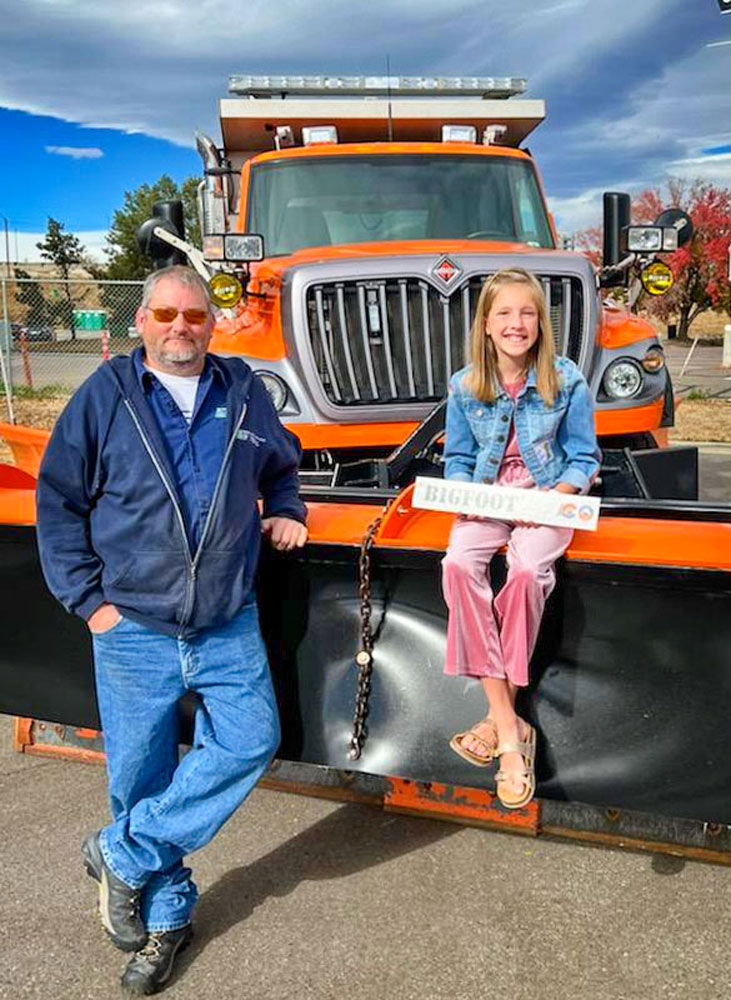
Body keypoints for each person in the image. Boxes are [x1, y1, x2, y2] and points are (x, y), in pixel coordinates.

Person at [36, 265, 307, 995]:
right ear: (141, 321)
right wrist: (89, 603)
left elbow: (283, 466)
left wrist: (289, 508)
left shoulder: (243, 392)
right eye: (164, 314)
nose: (180, 326)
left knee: (251, 739)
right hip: (132, 628)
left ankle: (120, 857)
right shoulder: (104, 396)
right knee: (140, 778)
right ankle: (166, 925)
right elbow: (58, 501)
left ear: (211, 322)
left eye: (193, 314)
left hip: (225, 618)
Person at [441, 267, 600, 810]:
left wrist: (558, 493)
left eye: (528, 313)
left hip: (546, 497)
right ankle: (513, 727)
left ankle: (499, 729)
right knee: (458, 564)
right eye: (504, 313)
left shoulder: (566, 379)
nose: (517, 323)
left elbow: (584, 456)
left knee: (529, 572)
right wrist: (464, 494)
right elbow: (459, 459)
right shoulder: (465, 385)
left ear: (541, 324)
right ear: (486, 324)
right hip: (489, 497)